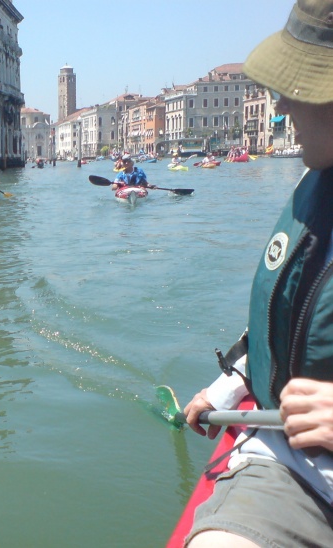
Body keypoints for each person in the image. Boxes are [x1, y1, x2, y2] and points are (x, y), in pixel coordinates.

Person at [183, 1, 333, 546]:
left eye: (303, 84)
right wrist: (228, 387)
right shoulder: (311, 186)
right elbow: (285, 320)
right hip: (299, 474)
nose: (283, 100)